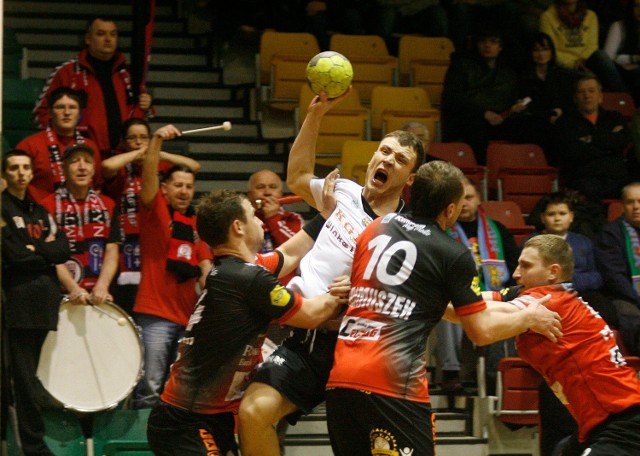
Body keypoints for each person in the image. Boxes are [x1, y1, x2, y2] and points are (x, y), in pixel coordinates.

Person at [324, 160, 562, 456]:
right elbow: (481, 332)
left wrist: (505, 300)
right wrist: (528, 317)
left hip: (341, 379)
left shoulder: (377, 226)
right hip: (393, 385)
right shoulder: (451, 252)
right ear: (450, 209)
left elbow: (438, 306)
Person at [238, 89, 425, 456]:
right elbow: (297, 176)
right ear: (373, 157)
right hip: (302, 342)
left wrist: (360, 289)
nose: (387, 159)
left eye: (400, 159)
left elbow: (405, 299)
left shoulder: (403, 231)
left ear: (410, 178)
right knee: (252, 412)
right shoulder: (343, 192)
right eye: (384, 151)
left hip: (356, 353)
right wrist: (315, 116)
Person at [146, 184, 348, 456]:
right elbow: (312, 315)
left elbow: (289, 254)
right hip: (186, 421)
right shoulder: (247, 279)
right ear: (238, 227)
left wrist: (325, 214)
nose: (260, 220)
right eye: (253, 216)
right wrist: (350, 286)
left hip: (211, 418)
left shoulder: (237, 271)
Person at [500, 234, 640, 456]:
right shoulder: (559, 296)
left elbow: (480, 319)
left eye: (525, 266)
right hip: (600, 421)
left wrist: (433, 300)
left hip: (621, 421)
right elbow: (478, 301)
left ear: (552, 273)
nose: (515, 273)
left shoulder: (548, 300)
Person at [131, 124, 212, 409]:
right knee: (150, 387)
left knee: (179, 391)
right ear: (165, 189)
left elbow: (205, 268)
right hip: (155, 317)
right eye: (178, 185)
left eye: (189, 187)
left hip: (186, 319)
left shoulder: (195, 223)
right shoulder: (155, 211)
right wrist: (155, 141)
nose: (184, 191)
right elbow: (149, 175)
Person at [1, 150, 70, 456]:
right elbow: (13, 256)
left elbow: (63, 250)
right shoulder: (2, 207)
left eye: (25, 167)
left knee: (33, 379)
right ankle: (32, 446)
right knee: (21, 380)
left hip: (43, 304)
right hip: (16, 305)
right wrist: (44, 252)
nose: (20, 173)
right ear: (5, 174)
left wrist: (35, 248)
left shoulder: (40, 210)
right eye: (14, 168)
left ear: (31, 173)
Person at [101, 119, 201, 314]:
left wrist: (156, 151)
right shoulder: (122, 166)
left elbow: (194, 166)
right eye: (133, 138)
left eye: (143, 138)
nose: (139, 142)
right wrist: (139, 154)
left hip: (156, 236)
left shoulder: (159, 166)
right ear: (123, 142)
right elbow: (106, 166)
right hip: (126, 240)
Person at [435, 177, 519, 394]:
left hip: (494, 295)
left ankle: (495, 378)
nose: (464, 203)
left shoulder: (498, 230)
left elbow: (515, 266)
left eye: (469, 198)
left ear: (479, 199)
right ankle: (451, 372)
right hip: (457, 294)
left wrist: (506, 294)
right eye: (459, 199)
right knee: (448, 308)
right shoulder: (440, 231)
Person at [34, 17, 152, 159]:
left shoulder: (129, 75)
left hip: (125, 157)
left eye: (113, 34)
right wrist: (63, 143)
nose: (108, 39)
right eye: (101, 34)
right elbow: (41, 114)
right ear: (88, 39)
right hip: (81, 155)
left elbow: (143, 116)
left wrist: (146, 105)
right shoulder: (67, 72)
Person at [41, 143, 120, 306]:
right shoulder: (46, 206)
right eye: (75, 161)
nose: (82, 167)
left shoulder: (108, 205)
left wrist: (103, 286)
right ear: (63, 169)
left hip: (99, 295)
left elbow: (112, 250)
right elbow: (49, 254)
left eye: (87, 161)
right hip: (60, 295)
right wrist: (73, 288)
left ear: (93, 169)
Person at [441, 27, 528, 164]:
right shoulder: (461, 65)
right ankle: (482, 172)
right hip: (471, 119)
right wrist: (484, 113)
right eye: (483, 41)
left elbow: (513, 97)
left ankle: (520, 171)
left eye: (493, 42)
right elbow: (453, 98)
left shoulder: (507, 71)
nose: (487, 45)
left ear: (500, 47)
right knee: (475, 127)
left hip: (503, 117)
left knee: (528, 124)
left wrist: (513, 108)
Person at [17, 86, 102, 203]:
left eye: (72, 107)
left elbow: (97, 186)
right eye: (60, 107)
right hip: (41, 215)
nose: (67, 113)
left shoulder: (90, 146)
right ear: (50, 113)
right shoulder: (29, 145)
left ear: (79, 114)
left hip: (81, 214)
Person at [555, 75, 631, 201]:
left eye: (591, 91)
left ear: (600, 96)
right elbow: (573, 152)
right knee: (587, 190)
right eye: (582, 92)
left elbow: (621, 141)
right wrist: (608, 141)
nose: (587, 95)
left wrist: (591, 139)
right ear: (575, 98)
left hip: (617, 178)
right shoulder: (565, 122)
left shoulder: (615, 117)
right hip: (584, 179)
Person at [514, 32, 577, 165]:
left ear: (552, 52)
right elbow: (526, 102)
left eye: (545, 49)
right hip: (537, 119)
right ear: (530, 53)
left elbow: (568, 102)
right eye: (536, 50)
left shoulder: (563, 75)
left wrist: (559, 111)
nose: (541, 54)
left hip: (559, 119)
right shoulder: (524, 76)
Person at [539, 0, 627, 92]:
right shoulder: (547, 17)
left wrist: (583, 60)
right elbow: (550, 49)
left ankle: (624, 96)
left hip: (587, 61)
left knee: (600, 55)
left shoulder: (591, 16)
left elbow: (592, 46)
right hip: (562, 65)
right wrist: (573, 63)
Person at [595, 182, 640, 355]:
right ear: (622, 206)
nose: (636, 207)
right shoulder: (610, 233)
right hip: (626, 296)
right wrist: (637, 298)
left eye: (639, 201)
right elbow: (613, 276)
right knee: (632, 318)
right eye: (630, 202)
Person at [603, 0, 640, 104]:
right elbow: (607, 58)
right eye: (636, 6)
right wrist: (634, 59)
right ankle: (626, 100)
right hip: (619, 73)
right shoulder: (619, 26)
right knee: (599, 57)